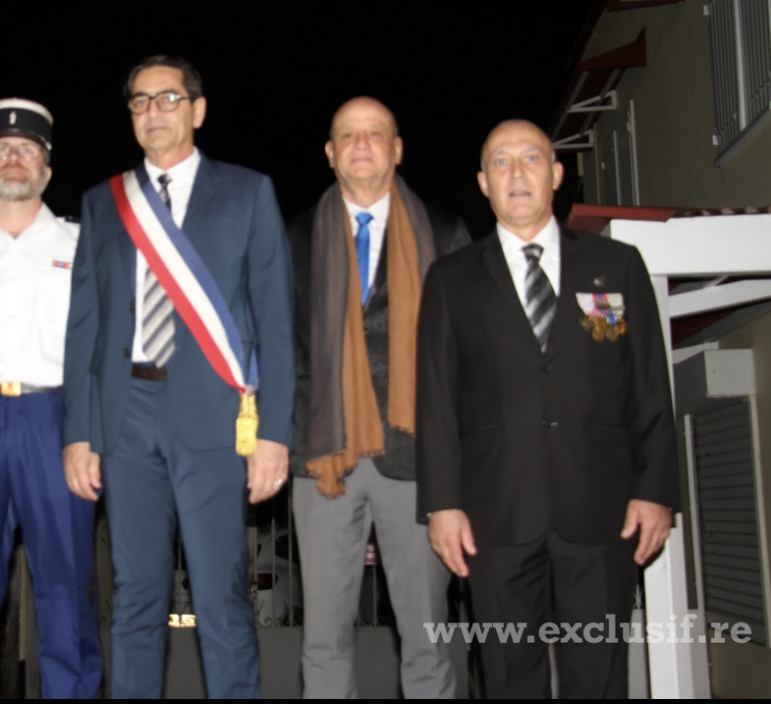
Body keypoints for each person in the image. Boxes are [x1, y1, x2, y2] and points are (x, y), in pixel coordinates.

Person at [416, 119, 679, 697]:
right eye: (501, 161)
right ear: (483, 182)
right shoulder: (450, 279)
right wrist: (442, 505)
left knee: (599, 673)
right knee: (509, 676)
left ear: (556, 174)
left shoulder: (618, 265)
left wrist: (656, 487)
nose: (517, 172)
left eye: (531, 158)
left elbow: (650, 388)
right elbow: (435, 400)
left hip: (602, 505)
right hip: (495, 513)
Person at [61, 55, 295, 698]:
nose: (152, 112)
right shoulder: (103, 203)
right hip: (125, 412)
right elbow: (86, 327)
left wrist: (274, 432)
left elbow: (276, 321)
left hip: (215, 414)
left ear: (197, 109)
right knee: (134, 596)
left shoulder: (249, 192)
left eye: (167, 99)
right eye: (139, 101)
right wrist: (78, 432)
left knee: (220, 594)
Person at [289, 97, 469, 699]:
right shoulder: (289, 238)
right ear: (330, 153)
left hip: (419, 458)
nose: (361, 144)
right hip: (321, 459)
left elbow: (467, 357)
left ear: (396, 149)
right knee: (323, 639)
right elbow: (274, 346)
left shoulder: (446, 234)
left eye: (375, 134)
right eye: (348, 135)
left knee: (427, 636)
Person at [0, 98, 101, 699]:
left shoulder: (83, 246)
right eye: (1, 149)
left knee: (64, 588)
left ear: (47, 171)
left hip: (56, 419)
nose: (14, 158)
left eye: (27, 149)